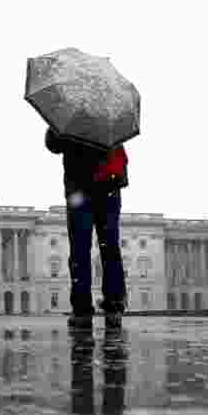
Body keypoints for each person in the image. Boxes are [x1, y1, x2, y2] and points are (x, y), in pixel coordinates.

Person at [44, 127, 129, 331]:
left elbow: (53, 145)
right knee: (108, 248)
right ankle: (113, 306)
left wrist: (60, 130)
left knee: (81, 250)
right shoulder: (110, 115)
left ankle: (82, 309)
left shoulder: (69, 115)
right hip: (106, 188)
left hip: (81, 189)